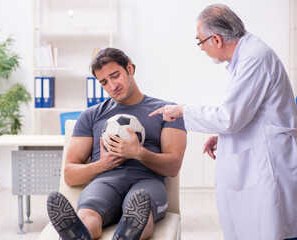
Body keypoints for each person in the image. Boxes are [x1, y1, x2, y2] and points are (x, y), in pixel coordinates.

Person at [150, 4, 297, 240]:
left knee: (272, 229)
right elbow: (253, 113)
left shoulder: (254, 59)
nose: (201, 48)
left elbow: (228, 118)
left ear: (216, 39)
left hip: (271, 161)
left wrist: (181, 111)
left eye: (200, 41)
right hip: (261, 151)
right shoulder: (246, 56)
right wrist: (223, 136)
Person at [47, 48, 187, 240]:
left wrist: (139, 153)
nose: (112, 86)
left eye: (115, 76)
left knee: (141, 213)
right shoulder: (90, 115)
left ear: (129, 68)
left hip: (147, 181)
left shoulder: (167, 111)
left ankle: (128, 233)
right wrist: (102, 165)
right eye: (104, 82)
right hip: (105, 182)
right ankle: (78, 235)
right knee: (87, 215)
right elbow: (70, 175)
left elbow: (173, 166)